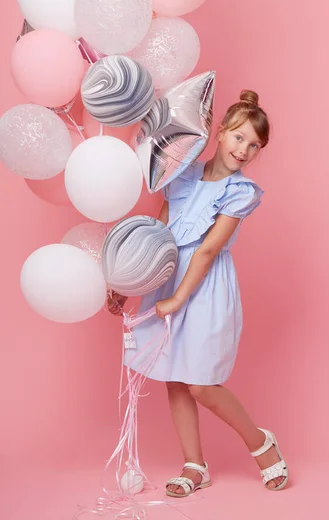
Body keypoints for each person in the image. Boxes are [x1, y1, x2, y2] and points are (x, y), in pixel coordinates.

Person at [108, 90, 288, 497]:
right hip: (167, 277)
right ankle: (194, 464)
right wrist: (127, 283)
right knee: (174, 378)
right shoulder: (182, 176)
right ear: (221, 132)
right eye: (239, 137)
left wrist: (179, 299)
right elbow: (157, 233)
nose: (244, 149)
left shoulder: (240, 192)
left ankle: (260, 442)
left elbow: (206, 250)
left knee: (201, 383)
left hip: (203, 288)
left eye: (255, 145)